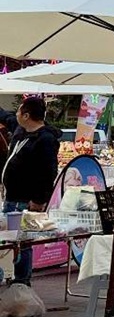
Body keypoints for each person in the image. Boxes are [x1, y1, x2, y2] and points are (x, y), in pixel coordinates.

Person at [1, 97, 62, 286]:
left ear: (27, 115)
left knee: (23, 242)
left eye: (20, 111)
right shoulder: (21, 131)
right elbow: (7, 117)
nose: (17, 114)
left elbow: (48, 172)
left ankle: (22, 281)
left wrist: (38, 200)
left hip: (25, 200)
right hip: (11, 197)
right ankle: (12, 276)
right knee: (8, 240)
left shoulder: (45, 140)